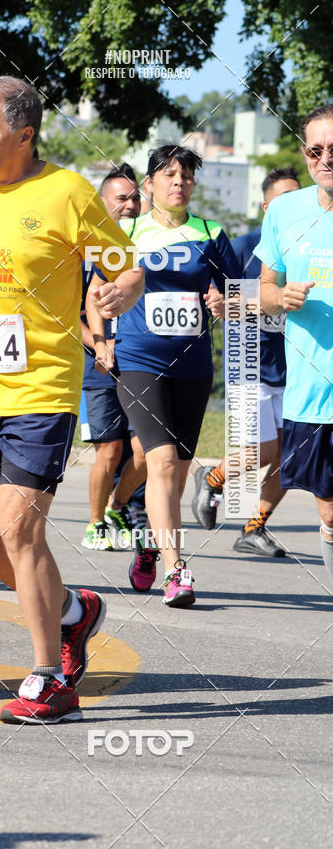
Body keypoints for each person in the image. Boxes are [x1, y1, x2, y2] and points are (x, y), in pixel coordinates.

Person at [0, 75, 144, 724]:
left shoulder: (67, 193)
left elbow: (126, 267)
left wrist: (118, 293)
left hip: (43, 388)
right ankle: (72, 612)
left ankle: (49, 677)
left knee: (18, 529)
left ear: (25, 135)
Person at [87, 144, 241, 606]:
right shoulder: (127, 231)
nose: (179, 183)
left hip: (193, 366)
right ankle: (177, 571)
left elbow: (240, 295)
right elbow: (96, 291)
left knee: (176, 472)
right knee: (162, 461)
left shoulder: (210, 233)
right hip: (138, 361)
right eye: (170, 175)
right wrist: (101, 342)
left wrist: (225, 303)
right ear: (149, 184)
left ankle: (151, 543)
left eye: (187, 176)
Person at [192, 167, 301, 556]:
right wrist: (228, 302)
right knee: (263, 451)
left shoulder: (307, 249)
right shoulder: (242, 249)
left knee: (292, 455)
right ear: (266, 207)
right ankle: (213, 477)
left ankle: (254, 528)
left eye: (297, 198)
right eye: (284, 199)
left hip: (294, 368)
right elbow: (218, 298)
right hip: (249, 365)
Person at [254, 105, 333, 583]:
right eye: (315, 150)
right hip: (313, 393)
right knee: (329, 510)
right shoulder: (285, 211)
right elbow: (264, 289)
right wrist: (280, 297)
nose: (326, 158)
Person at [80, 164, 142, 551]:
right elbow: (67, 316)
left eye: (136, 198)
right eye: (122, 199)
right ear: (103, 203)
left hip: (140, 362)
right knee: (110, 449)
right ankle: (95, 523)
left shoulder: (147, 248)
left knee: (145, 449)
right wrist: (100, 344)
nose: (130, 205)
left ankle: (118, 505)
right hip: (98, 362)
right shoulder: (84, 250)